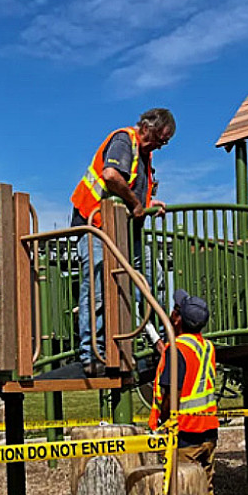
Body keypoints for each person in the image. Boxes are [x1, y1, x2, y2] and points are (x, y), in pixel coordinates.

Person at [70, 108, 174, 376]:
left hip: (124, 231)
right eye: (160, 139)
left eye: (164, 143)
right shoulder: (124, 140)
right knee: (97, 288)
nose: (160, 146)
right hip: (96, 228)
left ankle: (161, 341)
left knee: (153, 278)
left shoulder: (144, 154)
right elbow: (111, 176)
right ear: (147, 128)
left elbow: (131, 190)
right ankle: (92, 351)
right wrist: (137, 203)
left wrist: (148, 203)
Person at [147, 289, 223, 495]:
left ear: (177, 318)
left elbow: (173, 393)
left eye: (174, 309)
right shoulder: (206, 347)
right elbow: (190, 373)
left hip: (186, 434)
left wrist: (162, 420)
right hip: (208, 431)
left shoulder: (177, 351)